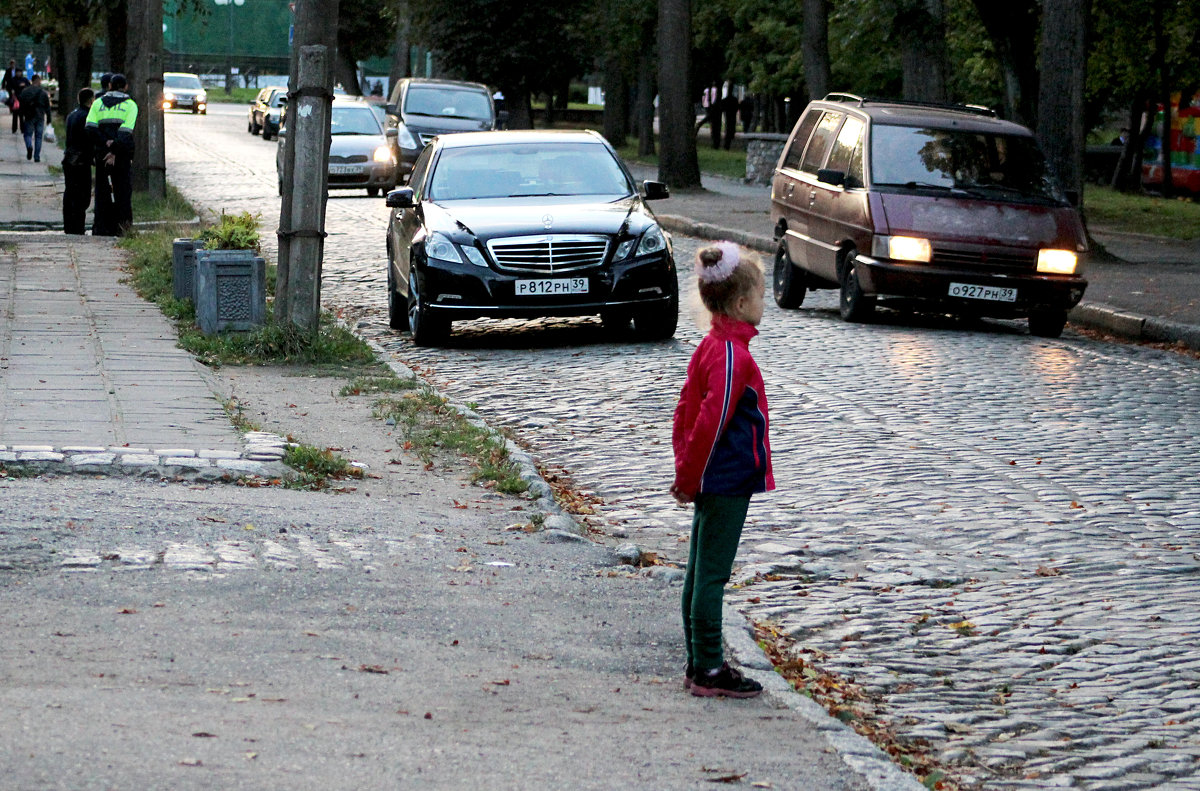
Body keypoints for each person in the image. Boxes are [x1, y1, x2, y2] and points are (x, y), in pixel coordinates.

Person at [671, 241, 773, 699]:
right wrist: (690, 477)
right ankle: (709, 666)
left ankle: (699, 660)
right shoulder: (734, 356)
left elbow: (683, 412)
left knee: (699, 571)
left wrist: (687, 472)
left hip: (713, 479)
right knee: (711, 574)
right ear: (739, 303)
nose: (764, 302)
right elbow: (708, 422)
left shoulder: (713, 347)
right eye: (761, 295)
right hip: (725, 480)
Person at [86, 73, 138, 236]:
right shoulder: (130, 105)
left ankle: (102, 227)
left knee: (102, 192)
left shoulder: (98, 103)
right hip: (121, 156)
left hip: (101, 155)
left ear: (109, 86)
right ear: (126, 87)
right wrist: (114, 149)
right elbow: (126, 132)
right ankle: (122, 228)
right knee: (123, 192)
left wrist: (105, 145)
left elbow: (90, 128)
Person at [63, 88, 95, 235]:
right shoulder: (87, 116)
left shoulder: (72, 114)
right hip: (81, 160)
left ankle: (69, 226)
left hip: (69, 158)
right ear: (91, 100)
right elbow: (88, 139)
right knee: (82, 196)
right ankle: (78, 227)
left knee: (69, 193)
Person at [18, 74, 51, 162]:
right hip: (40, 116)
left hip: (29, 116)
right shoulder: (43, 93)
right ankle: (37, 156)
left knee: (27, 135)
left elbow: (21, 104)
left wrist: (21, 116)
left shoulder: (25, 91)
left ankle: (29, 146)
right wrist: (49, 119)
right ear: (38, 80)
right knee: (38, 137)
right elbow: (47, 106)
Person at [9, 69, 29, 135]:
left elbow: (29, 86)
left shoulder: (24, 79)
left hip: (22, 99)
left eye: (19, 72)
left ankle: (22, 129)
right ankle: (14, 129)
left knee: (22, 115)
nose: (18, 73)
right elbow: (9, 87)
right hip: (15, 99)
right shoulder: (13, 80)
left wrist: (24, 86)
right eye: (17, 72)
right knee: (15, 115)